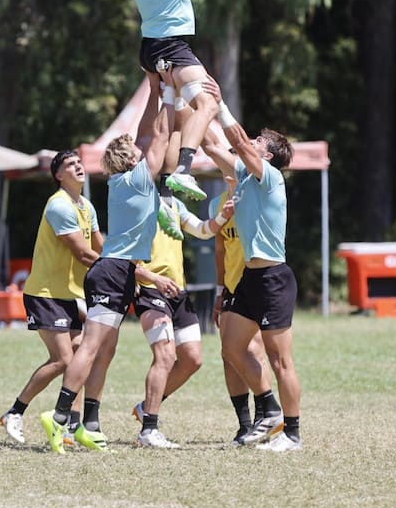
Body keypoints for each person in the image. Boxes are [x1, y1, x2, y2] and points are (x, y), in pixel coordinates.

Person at [40, 83, 182, 454]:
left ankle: (89, 423)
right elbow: (160, 132)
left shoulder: (124, 181)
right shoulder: (135, 179)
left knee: (105, 353)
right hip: (111, 272)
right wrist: (168, 93)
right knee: (89, 348)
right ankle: (58, 419)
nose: (145, 151)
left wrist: (156, 88)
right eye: (138, 150)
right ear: (131, 159)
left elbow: (149, 130)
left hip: (120, 272)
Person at [203, 92, 302, 452]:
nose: (253, 143)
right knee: (231, 347)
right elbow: (214, 145)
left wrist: (222, 106)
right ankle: (270, 408)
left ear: (268, 155)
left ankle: (292, 433)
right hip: (249, 278)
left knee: (280, 360)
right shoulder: (244, 178)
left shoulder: (270, 176)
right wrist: (192, 101)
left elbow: (238, 142)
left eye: (260, 141)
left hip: (274, 278)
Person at [118, 0, 217, 207]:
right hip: (172, 46)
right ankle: (184, 170)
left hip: (150, 47)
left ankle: (159, 193)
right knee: (207, 103)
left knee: (169, 123)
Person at [0, 150, 100, 446]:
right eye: (70, 164)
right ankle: (15, 412)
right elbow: (82, 253)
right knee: (63, 359)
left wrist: (117, 264)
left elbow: (99, 247)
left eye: (79, 162)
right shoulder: (58, 205)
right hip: (44, 294)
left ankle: (71, 426)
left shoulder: (87, 206)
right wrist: (121, 271)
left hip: (67, 295)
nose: (78, 166)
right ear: (58, 175)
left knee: (81, 356)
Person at [129, 181, 233, 448]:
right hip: (152, 289)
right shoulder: (140, 203)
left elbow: (202, 230)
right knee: (164, 357)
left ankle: (146, 408)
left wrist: (224, 215)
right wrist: (146, 277)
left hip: (178, 292)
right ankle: (148, 431)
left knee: (193, 360)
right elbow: (124, 254)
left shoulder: (176, 205)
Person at [207, 173, 270, 446]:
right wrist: (220, 290)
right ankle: (245, 424)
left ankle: (265, 417)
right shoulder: (216, 204)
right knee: (228, 354)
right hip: (232, 287)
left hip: (257, 283)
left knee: (253, 349)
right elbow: (220, 250)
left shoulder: (258, 195)